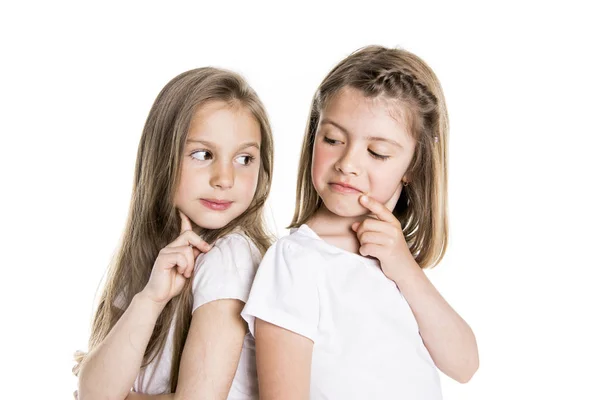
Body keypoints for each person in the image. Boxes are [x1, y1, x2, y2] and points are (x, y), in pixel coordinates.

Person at [242, 45, 479, 399]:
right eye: (333, 140)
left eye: (377, 152)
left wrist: (404, 267)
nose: (347, 163)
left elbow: (465, 365)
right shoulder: (297, 261)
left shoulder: (394, 263)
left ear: (413, 167)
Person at [74, 67, 274, 400]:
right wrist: (150, 299)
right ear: (161, 157)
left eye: (244, 158)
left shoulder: (230, 256)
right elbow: (94, 393)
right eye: (203, 154)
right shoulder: (158, 262)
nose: (224, 178)